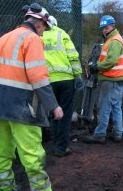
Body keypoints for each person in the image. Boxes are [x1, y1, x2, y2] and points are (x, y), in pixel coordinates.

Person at [0, 3, 63, 191]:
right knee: (32, 156)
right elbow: (38, 76)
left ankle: (6, 189)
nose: (43, 33)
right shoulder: (32, 39)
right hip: (20, 106)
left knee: (1, 153)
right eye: (44, 29)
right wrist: (54, 105)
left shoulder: (2, 39)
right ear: (39, 23)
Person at [40, 15, 82, 156]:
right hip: (66, 80)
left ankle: (54, 141)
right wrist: (77, 75)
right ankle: (61, 148)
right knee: (64, 114)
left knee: (53, 112)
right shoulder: (61, 33)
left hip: (48, 81)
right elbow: (73, 56)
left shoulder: (37, 36)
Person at [83, 15, 123, 143]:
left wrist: (97, 67)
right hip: (118, 79)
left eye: (106, 27)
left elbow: (111, 61)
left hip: (110, 79)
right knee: (116, 106)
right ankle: (118, 133)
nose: (104, 30)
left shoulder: (114, 41)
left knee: (104, 107)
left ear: (113, 26)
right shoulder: (116, 39)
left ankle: (99, 134)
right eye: (103, 28)